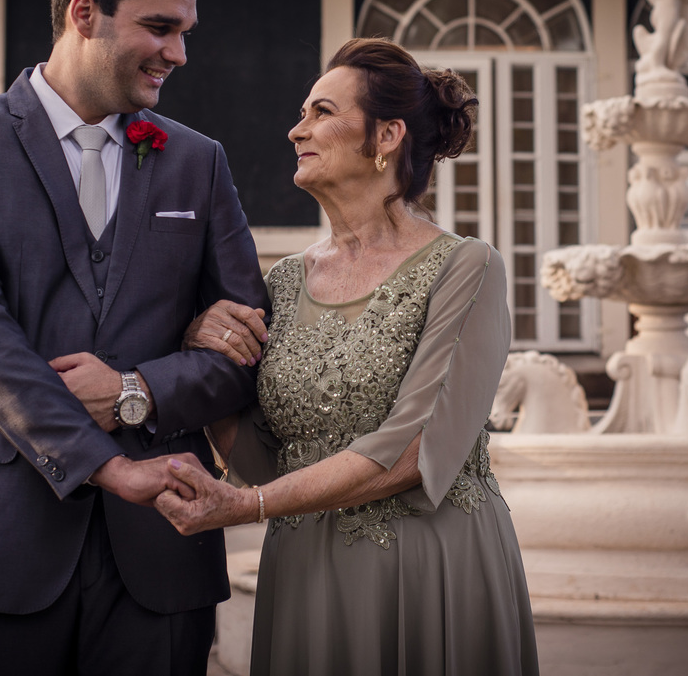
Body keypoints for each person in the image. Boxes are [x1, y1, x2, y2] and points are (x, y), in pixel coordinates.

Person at [0, 0, 268, 675]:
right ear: (84, 13)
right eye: (160, 27)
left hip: (162, 547)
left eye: (185, 33)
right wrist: (109, 466)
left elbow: (244, 349)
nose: (179, 53)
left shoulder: (198, 161)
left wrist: (134, 391)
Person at [156, 38, 540, 675]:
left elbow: (417, 449)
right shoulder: (283, 283)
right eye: (302, 113)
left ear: (386, 136)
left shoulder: (466, 267)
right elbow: (260, 460)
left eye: (322, 112)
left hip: (427, 570)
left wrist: (247, 508)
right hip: (303, 567)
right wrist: (204, 347)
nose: (296, 130)